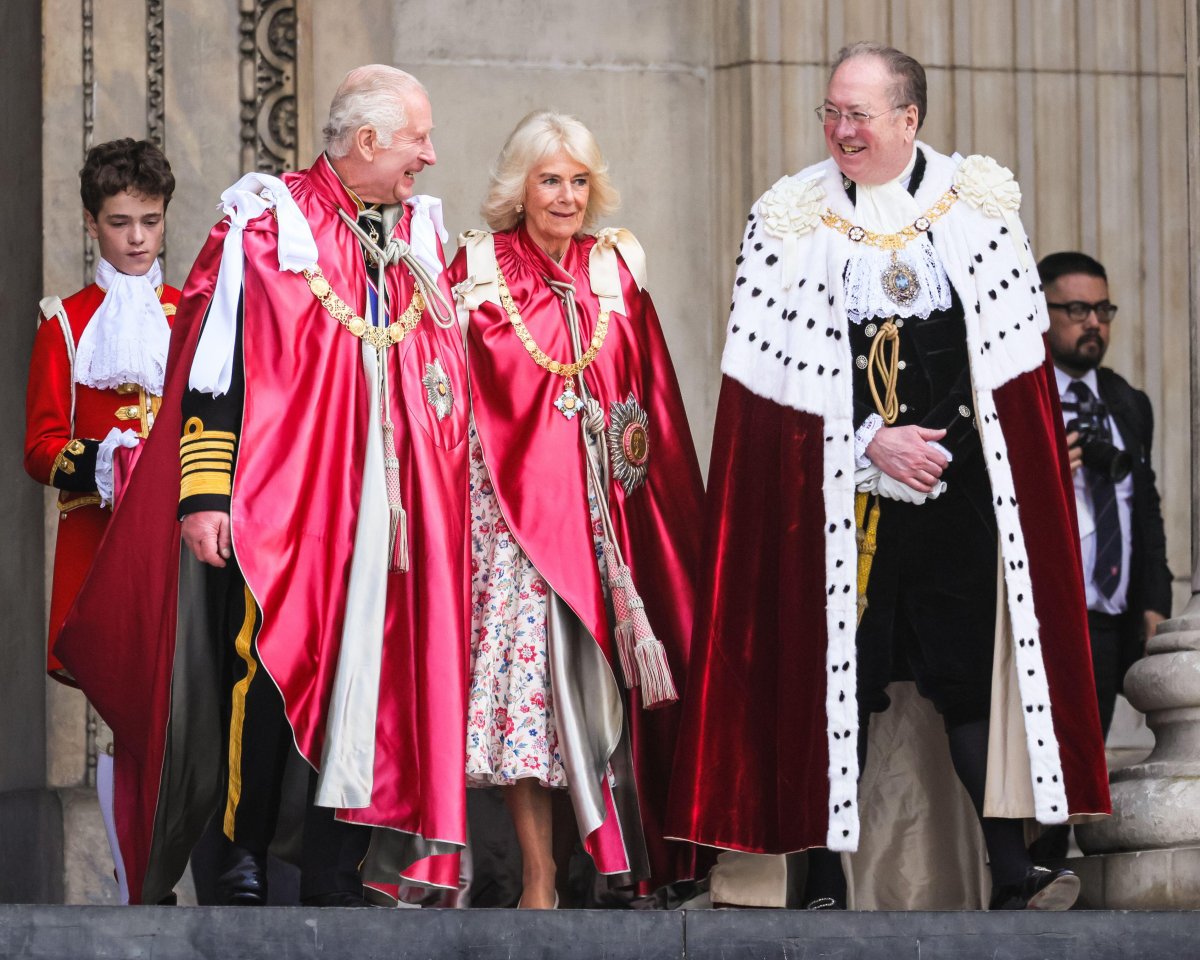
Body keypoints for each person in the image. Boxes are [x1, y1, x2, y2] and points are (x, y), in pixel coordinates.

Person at [669, 42, 1111, 911]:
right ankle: (823, 882)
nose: (840, 129)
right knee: (842, 672)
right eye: (831, 111)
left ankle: (1015, 870)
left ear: (908, 119)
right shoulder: (787, 217)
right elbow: (772, 389)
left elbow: (1010, 368)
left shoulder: (981, 208)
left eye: (859, 114)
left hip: (960, 489)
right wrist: (869, 443)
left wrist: (938, 448)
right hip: (834, 494)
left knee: (963, 671)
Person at [55, 65, 470, 907]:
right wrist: (205, 496)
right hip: (275, 510)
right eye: (415, 140)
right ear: (367, 143)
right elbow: (211, 372)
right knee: (263, 685)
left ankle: (336, 865)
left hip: (373, 517)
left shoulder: (404, 237)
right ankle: (236, 859)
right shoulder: (263, 224)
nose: (428, 156)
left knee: (364, 690)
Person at [448, 111, 704, 908]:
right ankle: (538, 875)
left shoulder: (617, 268)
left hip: (609, 520)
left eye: (578, 180)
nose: (565, 196)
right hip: (513, 520)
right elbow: (452, 397)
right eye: (549, 179)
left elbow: (651, 396)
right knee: (531, 699)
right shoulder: (477, 266)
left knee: (599, 691)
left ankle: (614, 861)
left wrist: (656, 501)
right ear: (518, 187)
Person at [24, 137, 178, 904]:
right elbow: (39, 446)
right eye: (121, 223)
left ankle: (176, 874)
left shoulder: (197, 314)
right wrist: (104, 460)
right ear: (93, 224)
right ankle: (132, 889)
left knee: (178, 723)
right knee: (126, 718)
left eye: (150, 221)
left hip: (181, 549)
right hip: (102, 548)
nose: (138, 238)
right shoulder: (65, 321)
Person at [1039, 251, 1172, 737]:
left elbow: (1146, 508)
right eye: (1076, 311)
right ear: (1039, 311)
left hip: (1114, 621)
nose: (1093, 323)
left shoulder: (1127, 401)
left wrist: (1155, 601)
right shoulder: (1019, 398)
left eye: (1103, 310)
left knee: (1093, 766)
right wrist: (1042, 471)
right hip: (1047, 618)